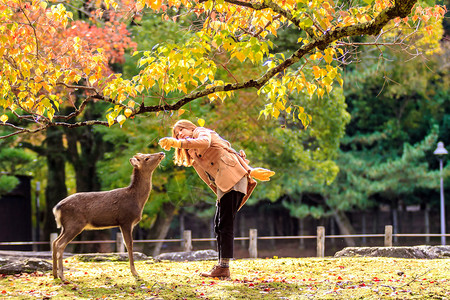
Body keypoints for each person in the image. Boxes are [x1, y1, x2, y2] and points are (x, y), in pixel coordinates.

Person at [159, 119, 275, 279]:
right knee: (219, 224)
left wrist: (175, 143)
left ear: (190, 128)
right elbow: (221, 161)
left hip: (233, 179)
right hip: (225, 184)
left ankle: (223, 267)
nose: (179, 134)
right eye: (176, 134)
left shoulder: (201, 132)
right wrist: (248, 172)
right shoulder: (193, 153)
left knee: (225, 223)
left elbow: (206, 142)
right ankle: (222, 266)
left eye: (181, 130)